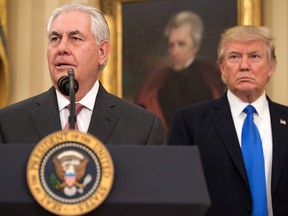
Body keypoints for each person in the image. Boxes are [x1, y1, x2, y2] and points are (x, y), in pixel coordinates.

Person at [0, 2, 165, 145]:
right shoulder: (8, 123)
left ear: (102, 51)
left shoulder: (143, 128)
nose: (62, 48)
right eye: (55, 38)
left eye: (75, 38)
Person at [168, 25, 288, 216]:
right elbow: (175, 194)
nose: (244, 66)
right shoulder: (189, 121)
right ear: (222, 68)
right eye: (234, 57)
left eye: (254, 56)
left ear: (271, 67)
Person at [134, 11, 226, 134]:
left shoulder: (213, 78)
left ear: (195, 47)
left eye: (181, 44)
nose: (174, 51)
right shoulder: (153, 83)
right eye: (171, 45)